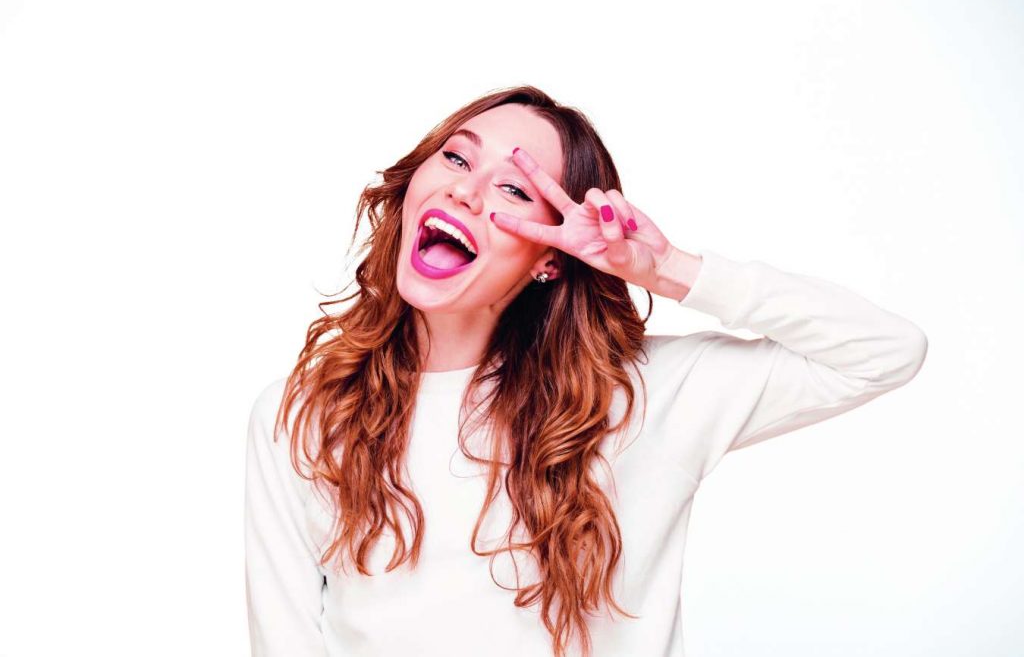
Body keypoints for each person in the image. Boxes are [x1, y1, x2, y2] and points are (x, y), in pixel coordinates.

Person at [243, 85, 928, 657]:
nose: (466, 192)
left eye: (512, 188)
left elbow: (885, 351)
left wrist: (670, 270)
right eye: (455, 157)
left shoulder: (639, 397)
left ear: (551, 258)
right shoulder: (301, 415)